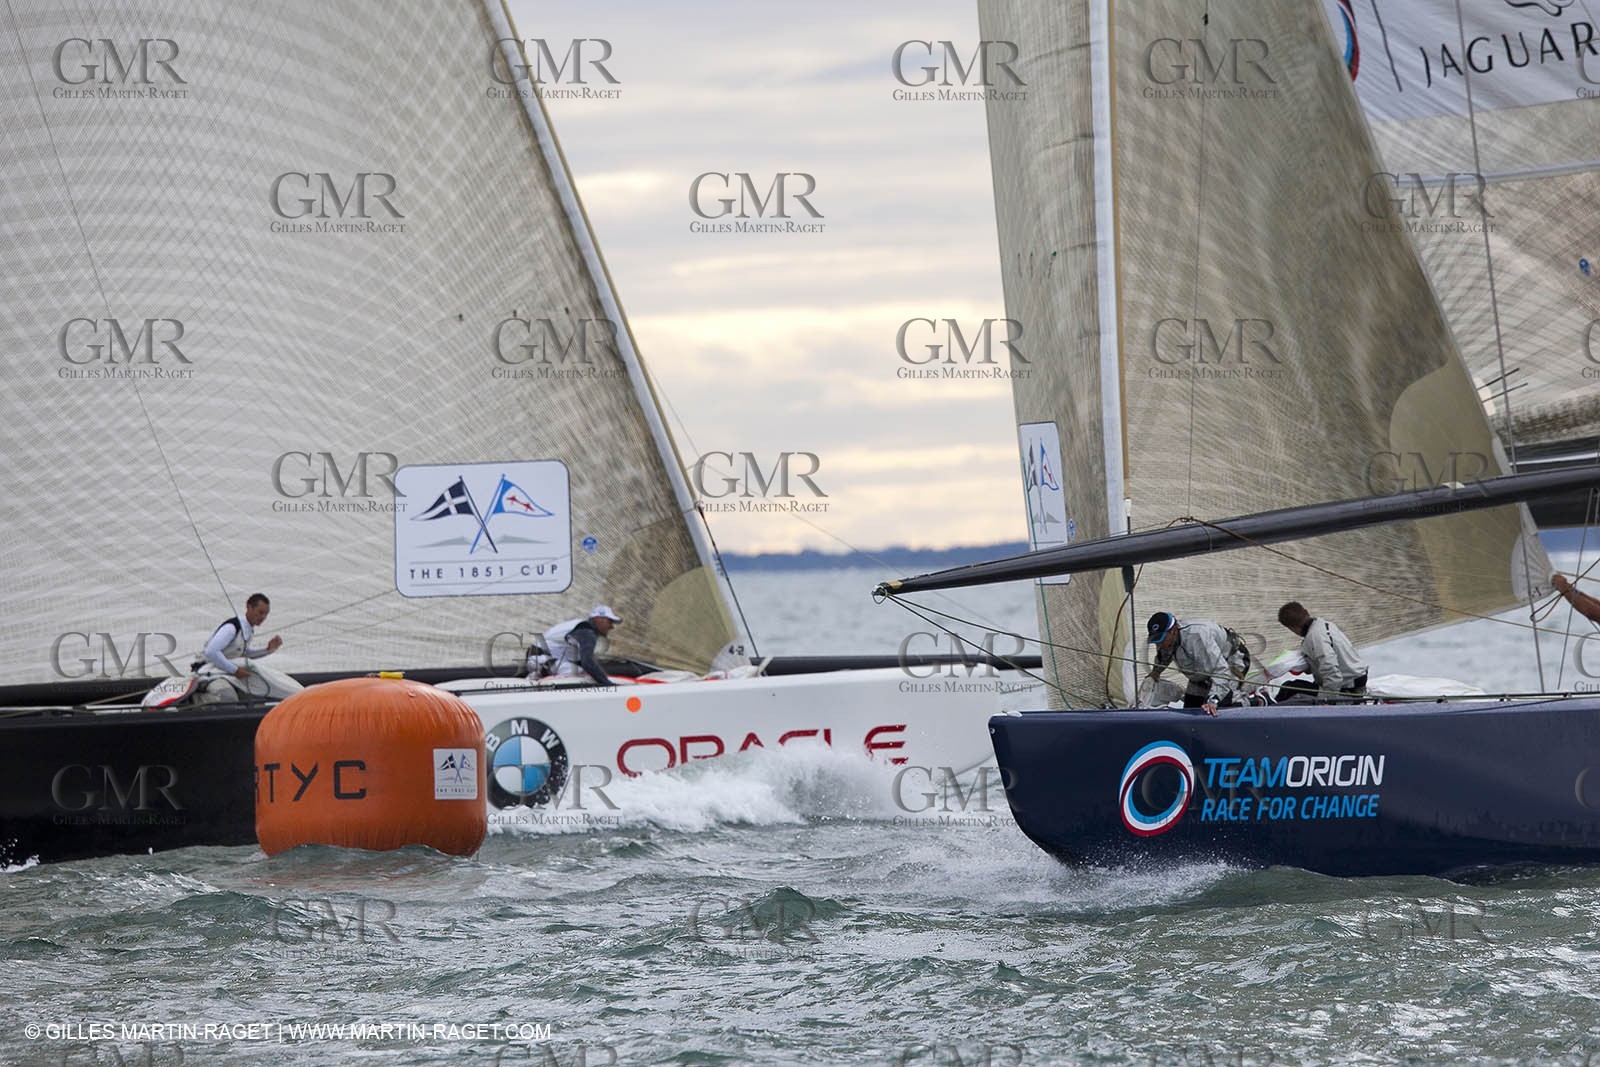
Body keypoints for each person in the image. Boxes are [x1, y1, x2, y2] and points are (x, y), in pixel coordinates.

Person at [193, 593, 300, 701]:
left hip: (225, 672)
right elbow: (211, 652)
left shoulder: (249, 629)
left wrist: (267, 650)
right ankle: (195, 699)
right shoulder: (232, 628)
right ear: (249, 607)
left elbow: (242, 653)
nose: (263, 617)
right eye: (260, 612)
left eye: (266, 614)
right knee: (228, 697)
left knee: (252, 696)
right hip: (208, 671)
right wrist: (235, 670)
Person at [1145, 611, 1251, 715]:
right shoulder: (1165, 642)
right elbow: (1164, 656)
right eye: (1156, 641)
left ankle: (1252, 703)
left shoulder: (1197, 636)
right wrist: (1156, 672)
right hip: (1201, 670)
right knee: (1191, 708)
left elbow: (1221, 671)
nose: (1159, 645)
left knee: (1220, 706)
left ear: (1173, 631)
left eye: (1161, 640)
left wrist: (1213, 701)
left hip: (1231, 662)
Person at [1275, 601, 1367, 702]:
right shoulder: (1325, 625)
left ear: (1292, 628)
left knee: (1290, 690)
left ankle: (1268, 709)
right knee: (1290, 687)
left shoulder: (1315, 637)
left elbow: (1332, 671)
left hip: (1347, 689)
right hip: (1353, 680)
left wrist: (1328, 701)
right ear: (1306, 612)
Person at [542, 605, 622, 686]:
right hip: (543, 661)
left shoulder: (580, 627)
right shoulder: (587, 631)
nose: (612, 626)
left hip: (543, 661)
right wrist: (608, 684)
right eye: (610, 622)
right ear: (598, 619)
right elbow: (587, 662)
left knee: (590, 672)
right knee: (585, 674)